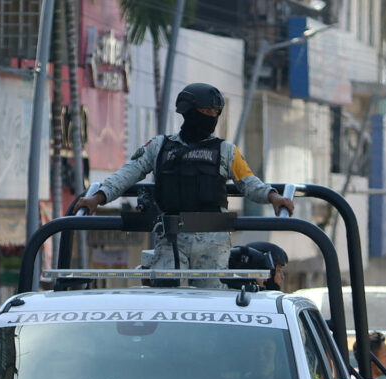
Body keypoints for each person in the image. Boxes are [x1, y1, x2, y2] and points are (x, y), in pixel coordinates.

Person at [76, 83, 294, 286]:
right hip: (171, 236)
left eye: (215, 113)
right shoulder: (159, 146)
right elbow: (127, 174)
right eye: (205, 111)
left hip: (213, 239)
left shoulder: (226, 150)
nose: (211, 117)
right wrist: (98, 197)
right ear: (187, 111)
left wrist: (274, 197)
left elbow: (248, 182)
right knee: (166, 299)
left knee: (211, 304)